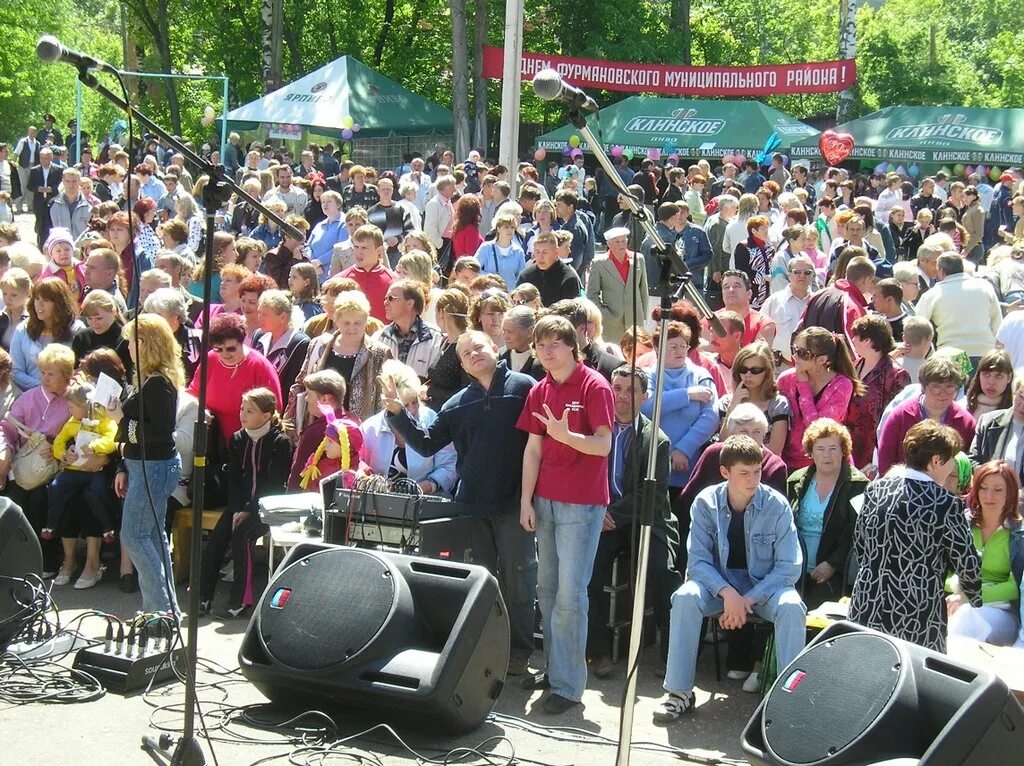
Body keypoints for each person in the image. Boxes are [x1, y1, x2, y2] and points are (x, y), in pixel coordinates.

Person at [384, 330, 538, 671]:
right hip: (474, 505)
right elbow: (426, 443)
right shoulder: (456, 404)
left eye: (479, 347)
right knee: (483, 580)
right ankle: (487, 646)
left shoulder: (525, 387)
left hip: (516, 503)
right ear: (462, 363)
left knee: (520, 579)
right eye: (466, 353)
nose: (473, 355)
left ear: (495, 349)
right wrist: (397, 413)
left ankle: (520, 651)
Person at [653, 434, 805, 722]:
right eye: (744, 473)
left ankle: (788, 703)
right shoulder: (704, 503)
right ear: (725, 472)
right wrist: (727, 593)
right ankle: (679, 693)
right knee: (684, 597)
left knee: (791, 606)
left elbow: (788, 567)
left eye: (757, 471)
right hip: (717, 586)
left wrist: (747, 598)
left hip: (763, 589)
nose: (753, 479)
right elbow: (697, 562)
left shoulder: (778, 505)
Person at [517, 314, 613, 714]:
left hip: (582, 502)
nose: (547, 351)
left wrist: (566, 435)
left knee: (570, 597)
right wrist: (526, 500)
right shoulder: (539, 390)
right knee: (547, 591)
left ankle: (568, 686)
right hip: (546, 500)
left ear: (573, 345)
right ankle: (557, 670)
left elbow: (603, 445)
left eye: (555, 343)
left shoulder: (595, 385)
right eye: (541, 345)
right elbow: (533, 449)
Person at [850, 421, 981, 653]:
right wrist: (978, 599)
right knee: (913, 684)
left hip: (867, 607)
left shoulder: (874, 490)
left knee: (867, 681)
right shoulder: (945, 503)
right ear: (936, 460)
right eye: (950, 459)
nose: (951, 467)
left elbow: (861, 546)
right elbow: (966, 563)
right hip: (916, 616)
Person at [586, 365, 681, 677]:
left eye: (631, 390)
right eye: (617, 388)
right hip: (603, 518)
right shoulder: (596, 429)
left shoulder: (656, 440)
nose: (622, 396)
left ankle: (671, 655)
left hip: (645, 520)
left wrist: (611, 514)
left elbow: (648, 495)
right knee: (588, 569)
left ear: (645, 396)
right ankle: (597, 652)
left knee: (661, 571)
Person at [107, 315, 184, 616]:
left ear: (146, 343)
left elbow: (160, 433)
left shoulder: (159, 385)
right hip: (143, 465)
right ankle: (166, 611)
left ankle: (159, 611)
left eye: (132, 341)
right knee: (152, 537)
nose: (127, 346)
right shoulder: (149, 380)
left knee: (135, 537)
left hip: (154, 466)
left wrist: (121, 420)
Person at [198, 388, 292, 619]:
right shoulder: (238, 439)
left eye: (250, 410)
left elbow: (274, 483)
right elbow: (234, 478)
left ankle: (240, 600)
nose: (243, 414)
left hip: (267, 507)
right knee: (216, 542)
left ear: (267, 415)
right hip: (239, 505)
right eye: (242, 409)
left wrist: (250, 510)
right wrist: (238, 507)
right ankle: (202, 597)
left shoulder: (280, 442)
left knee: (242, 537)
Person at [0, 344, 74, 576]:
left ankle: (47, 561)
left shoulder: (75, 399)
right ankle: (15, 564)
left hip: (57, 468)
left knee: (41, 502)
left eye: (51, 373)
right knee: (15, 503)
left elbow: (81, 433)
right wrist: (5, 450)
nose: (45, 378)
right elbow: (7, 429)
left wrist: (58, 447)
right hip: (24, 467)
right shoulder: (29, 398)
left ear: (66, 375)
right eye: (42, 372)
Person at [787, 419, 867, 608]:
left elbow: (857, 532)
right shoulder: (795, 481)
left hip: (835, 574)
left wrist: (832, 564)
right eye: (820, 449)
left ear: (843, 451)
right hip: (794, 570)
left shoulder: (858, 485)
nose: (827, 455)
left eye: (833, 448)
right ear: (811, 452)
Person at [946, 461, 1023, 645]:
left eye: (997, 490)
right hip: (958, 601)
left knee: (966, 618)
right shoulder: (962, 523)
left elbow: (1014, 587)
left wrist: (969, 596)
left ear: (1010, 493)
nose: (989, 496)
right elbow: (945, 570)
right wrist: (955, 590)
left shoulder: (1019, 535)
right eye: (983, 488)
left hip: (1002, 612)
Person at [44, 381, 119, 561]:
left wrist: (95, 445)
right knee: (56, 487)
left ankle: (108, 527)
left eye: (72, 406)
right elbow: (59, 442)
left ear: (85, 405)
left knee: (97, 492)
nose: (69, 410)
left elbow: (112, 440)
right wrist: (62, 454)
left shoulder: (103, 421)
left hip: (94, 471)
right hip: (74, 470)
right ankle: (50, 524)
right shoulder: (71, 423)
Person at [186, 313, 282, 446]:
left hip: (248, 444)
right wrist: (201, 410)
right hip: (212, 443)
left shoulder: (260, 366)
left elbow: (274, 408)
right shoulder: (210, 359)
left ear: (242, 342)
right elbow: (193, 392)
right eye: (218, 349)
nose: (224, 354)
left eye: (231, 349)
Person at [361, 360, 456, 492]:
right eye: (404, 405)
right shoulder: (369, 428)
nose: (412, 410)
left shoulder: (432, 419)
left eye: (415, 401)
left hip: (426, 501)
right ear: (387, 404)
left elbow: (449, 466)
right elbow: (357, 464)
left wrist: (423, 488)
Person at [778, 327, 862, 471]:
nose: (795, 356)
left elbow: (817, 430)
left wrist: (803, 387)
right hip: (788, 463)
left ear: (822, 360)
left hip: (826, 464)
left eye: (803, 353)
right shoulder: (785, 379)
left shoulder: (842, 385)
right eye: (795, 349)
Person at [877, 356, 975, 476]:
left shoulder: (966, 421)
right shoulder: (900, 415)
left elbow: (967, 465)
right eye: (936, 387)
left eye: (949, 387)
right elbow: (885, 460)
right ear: (923, 387)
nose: (943, 393)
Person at [847, 314, 911, 473]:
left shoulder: (896, 376)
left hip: (875, 455)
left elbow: (897, 422)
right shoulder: (855, 366)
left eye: (856, 336)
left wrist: (879, 460)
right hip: (849, 449)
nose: (853, 340)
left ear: (868, 340)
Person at [914, 253, 1001, 368]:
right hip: (985, 353)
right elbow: (997, 322)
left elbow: (917, 325)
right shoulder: (985, 287)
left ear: (941, 271)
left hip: (952, 355)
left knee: (959, 386)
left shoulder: (932, 294)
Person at [10, 276, 84, 392]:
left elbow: (81, 370)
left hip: (66, 396)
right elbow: (15, 371)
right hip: (31, 396)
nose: (39, 305)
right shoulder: (22, 329)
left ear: (60, 303)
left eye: (46, 300)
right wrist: (42, 388)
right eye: (37, 299)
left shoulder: (76, 329)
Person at [717, 341, 790, 457]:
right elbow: (722, 444)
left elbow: (775, 451)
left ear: (767, 372)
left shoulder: (777, 404)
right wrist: (732, 407)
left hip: (765, 467)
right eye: (743, 369)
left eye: (755, 370)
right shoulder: (726, 402)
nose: (748, 375)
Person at [586, 226, 648, 347]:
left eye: (624, 240)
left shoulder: (638, 259)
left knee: (635, 352)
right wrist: (603, 314)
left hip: (635, 319)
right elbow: (592, 294)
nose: (621, 245)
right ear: (609, 244)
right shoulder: (599, 263)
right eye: (617, 241)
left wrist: (643, 314)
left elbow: (643, 289)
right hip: (611, 322)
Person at [797, 256, 876, 349]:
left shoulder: (817, 295)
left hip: (809, 360)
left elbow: (798, 332)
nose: (871, 284)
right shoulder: (851, 306)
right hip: (836, 363)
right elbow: (858, 348)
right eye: (871, 280)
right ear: (865, 279)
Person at [373, 279, 445, 380]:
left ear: (410, 303)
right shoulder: (378, 337)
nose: (385, 302)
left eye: (391, 298)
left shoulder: (436, 338)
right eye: (385, 298)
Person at [252, 289, 310, 397]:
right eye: (259, 312)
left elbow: (293, 384)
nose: (259, 318)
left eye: (264, 314)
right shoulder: (258, 336)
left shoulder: (299, 343)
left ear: (282, 317)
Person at [760, 255, 815, 368]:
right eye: (797, 272)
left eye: (807, 272)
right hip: (780, 367)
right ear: (789, 274)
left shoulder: (818, 301)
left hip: (812, 368)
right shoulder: (774, 301)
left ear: (812, 275)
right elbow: (760, 333)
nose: (802, 276)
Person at [968, 378, 1024, 483]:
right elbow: (973, 460)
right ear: (1014, 394)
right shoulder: (988, 422)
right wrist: (990, 483)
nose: (1023, 405)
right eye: (1021, 396)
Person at [339, 224, 395, 321]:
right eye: (356, 247)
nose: (358, 252)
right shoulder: (340, 280)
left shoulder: (394, 282)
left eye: (364, 248)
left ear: (379, 250)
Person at [516, 232, 582, 307]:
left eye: (545, 252)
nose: (540, 257)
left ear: (556, 252)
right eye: (537, 252)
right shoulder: (525, 276)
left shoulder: (568, 278)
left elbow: (570, 311)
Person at [732, 215, 774, 310]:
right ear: (754, 231)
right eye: (763, 228)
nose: (766, 231)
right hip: (752, 291)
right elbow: (741, 270)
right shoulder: (744, 247)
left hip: (768, 292)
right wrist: (761, 277)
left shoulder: (769, 247)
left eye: (767, 228)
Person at [964, 350, 1013, 421]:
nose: (991, 382)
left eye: (998, 376)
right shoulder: (963, 407)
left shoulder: (1016, 412)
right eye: (986, 374)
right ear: (979, 375)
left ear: (1009, 378)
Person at [500, 305, 544, 380]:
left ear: (529, 332)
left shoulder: (542, 361)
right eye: (504, 331)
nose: (505, 336)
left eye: (510, 332)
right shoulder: (502, 357)